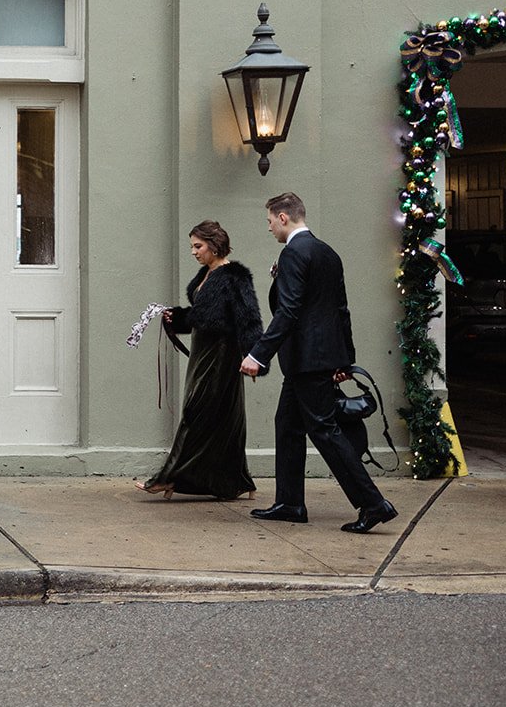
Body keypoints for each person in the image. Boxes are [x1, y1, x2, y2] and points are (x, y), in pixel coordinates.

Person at [240, 192, 398, 533]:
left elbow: (290, 311)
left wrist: (257, 354)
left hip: (306, 360)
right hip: (317, 358)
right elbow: (340, 309)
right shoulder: (327, 252)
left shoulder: (294, 253)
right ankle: (290, 503)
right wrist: (345, 359)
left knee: (325, 431)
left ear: (283, 217)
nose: (269, 228)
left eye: (269, 221)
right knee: (288, 425)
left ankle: (373, 504)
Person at [136, 220, 262, 500]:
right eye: (192, 246)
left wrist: (254, 355)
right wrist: (178, 317)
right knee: (224, 417)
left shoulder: (234, 277)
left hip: (221, 356)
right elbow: (203, 315)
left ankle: (168, 478)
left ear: (215, 246)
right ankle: (237, 481)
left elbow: (248, 317)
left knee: (196, 412)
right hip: (203, 353)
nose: (193, 252)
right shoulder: (207, 274)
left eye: (198, 246)